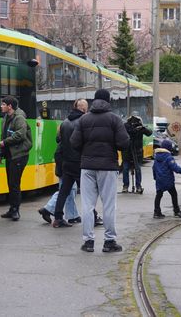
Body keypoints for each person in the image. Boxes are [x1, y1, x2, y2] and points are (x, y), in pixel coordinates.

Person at [70, 89, 129, 253]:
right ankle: (109, 241)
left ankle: (88, 241)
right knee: (109, 205)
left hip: (87, 167)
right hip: (108, 167)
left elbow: (74, 142)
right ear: (108, 101)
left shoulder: (84, 119)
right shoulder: (115, 119)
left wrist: (86, 152)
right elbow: (124, 143)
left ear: (94, 100)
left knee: (87, 205)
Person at [51, 99, 88, 228]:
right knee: (87, 192)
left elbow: (58, 139)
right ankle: (93, 216)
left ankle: (58, 218)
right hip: (79, 162)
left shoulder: (65, 122)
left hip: (66, 162)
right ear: (83, 109)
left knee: (63, 191)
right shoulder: (84, 122)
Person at [0, 96, 32, 221]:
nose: (1, 106)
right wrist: (0, 153)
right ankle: (12, 208)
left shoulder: (19, 118)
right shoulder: (6, 118)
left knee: (15, 184)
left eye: (3, 104)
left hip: (19, 155)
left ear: (9, 106)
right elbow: (3, 136)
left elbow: (20, 135)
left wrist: (5, 143)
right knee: (11, 183)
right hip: (11, 155)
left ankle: (15, 211)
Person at [153, 139, 181, 218]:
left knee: (158, 195)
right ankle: (176, 211)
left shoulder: (156, 157)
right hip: (168, 180)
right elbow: (175, 168)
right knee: (174, 194)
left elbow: (154, 168)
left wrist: (155, 177)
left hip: (159, 179)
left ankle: (156, 211)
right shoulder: (168, 157)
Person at [122, 114, 152, 194]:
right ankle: (127, 186)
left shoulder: (140, 127)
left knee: (136, 168)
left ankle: (137, 186)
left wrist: (142, 127)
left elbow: (149, 133)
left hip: (136, 152)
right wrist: (135, 129)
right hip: (128, 151)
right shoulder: (125, 127)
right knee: (126, 168)